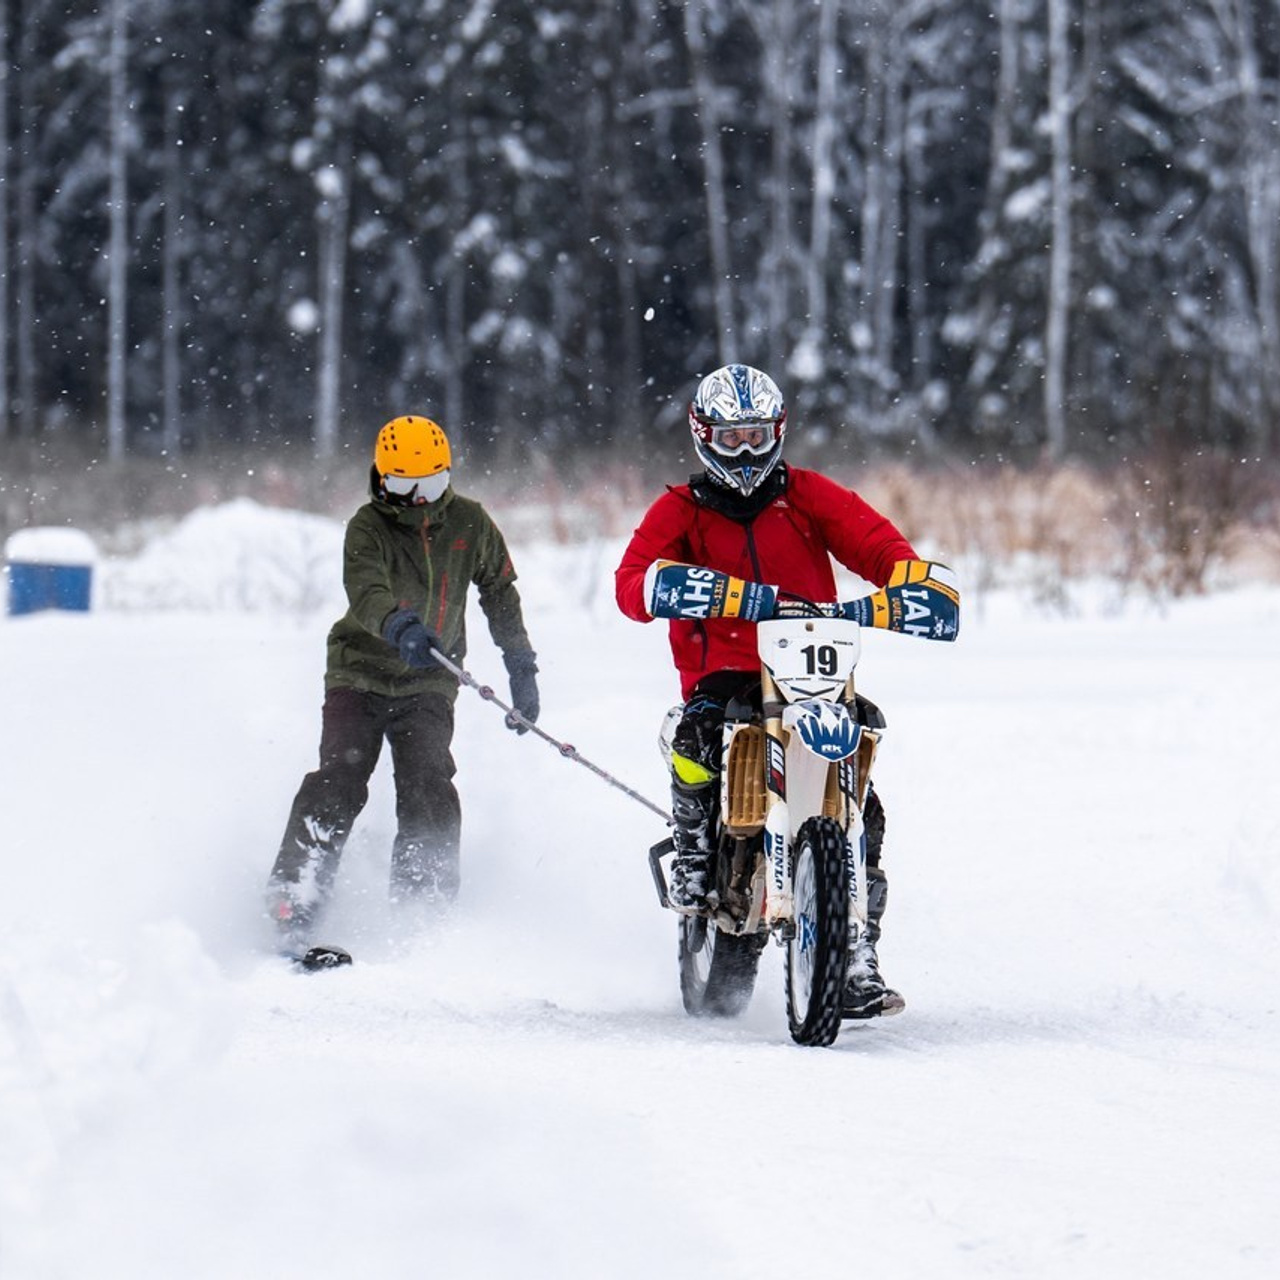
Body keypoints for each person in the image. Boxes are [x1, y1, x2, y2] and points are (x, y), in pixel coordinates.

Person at [615, 364, 926, 1019]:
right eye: (732, 439)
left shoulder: (809, 497)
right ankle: (697, 853)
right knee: (696, 734)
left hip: (812, 670)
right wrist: (668, 587)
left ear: (779, 432)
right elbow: (632, 582)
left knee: (861, 800)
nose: (748, 451)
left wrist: (909, 580)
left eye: (757, 435)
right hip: (723, 671)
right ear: (705, 438)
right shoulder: (681, 509)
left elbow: (875, 543)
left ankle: (858, 954)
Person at [265, 414, 540, 946]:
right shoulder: (366, 527)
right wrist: (400, 626)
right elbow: (367, 592)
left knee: (428, 782)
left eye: (431, 485)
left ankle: (424, 906)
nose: (419, 498)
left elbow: (500, 591)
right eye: (403, 486)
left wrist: (521, 666)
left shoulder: (470, 522)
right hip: (359, 672)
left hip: (429, 681)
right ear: (382, 478)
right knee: (340, 779)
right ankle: (293, 896)